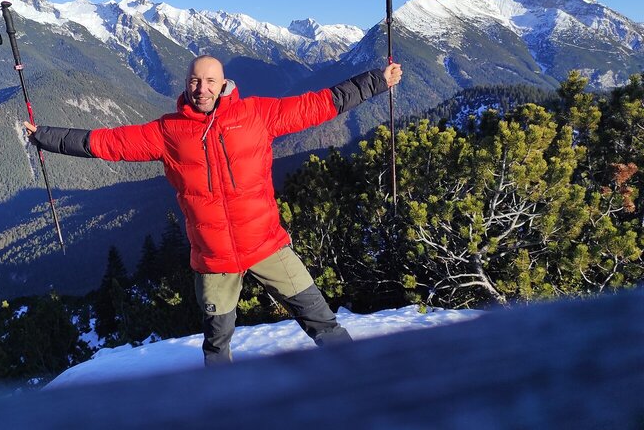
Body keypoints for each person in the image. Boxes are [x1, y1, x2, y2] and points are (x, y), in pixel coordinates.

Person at [25, 55, 402, 365]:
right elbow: (108, 143)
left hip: (267, 245)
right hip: (214, 259)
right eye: (194, 81)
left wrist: (376, 80)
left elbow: (320, 104)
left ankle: (360, 379)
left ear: (224, 84)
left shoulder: (258, 114)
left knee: (322, 322)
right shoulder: (167, 132)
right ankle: (224, 408)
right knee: (217, 347)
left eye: (209, 81)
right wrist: (45, 136)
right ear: (185, 85)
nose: (201, 89)